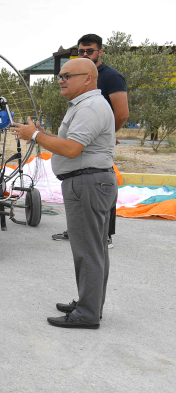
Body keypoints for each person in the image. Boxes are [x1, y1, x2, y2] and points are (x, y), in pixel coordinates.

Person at [11, 59, 116, 329]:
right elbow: (68, 143)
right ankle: (89, 303)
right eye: (60, 75)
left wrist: (35, 135)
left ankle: (87, 313)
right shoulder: (86, 105)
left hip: (87, 184)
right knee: (95, 249)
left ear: (89, 79)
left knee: (88, 251)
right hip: (90, 183)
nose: (61, 80)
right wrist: (41, 133)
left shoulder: (90, 107)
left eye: (68, 75)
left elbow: (71, 149)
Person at [53, 33, 128, 248]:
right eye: (81, 51)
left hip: (95, 148)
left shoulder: (111, 77)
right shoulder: (76, 74)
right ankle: (86, 232)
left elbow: (121, 113)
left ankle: (104, 235)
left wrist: (107, 134)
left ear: (100, 52)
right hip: (87, 140)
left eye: (90, 51)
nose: (85, 54)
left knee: (98, 181)